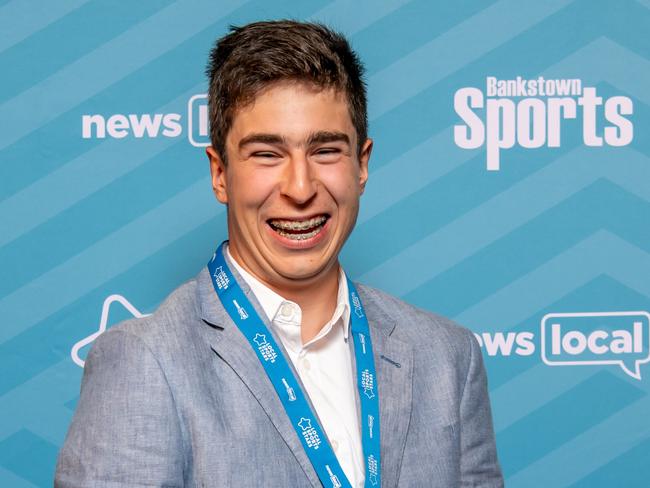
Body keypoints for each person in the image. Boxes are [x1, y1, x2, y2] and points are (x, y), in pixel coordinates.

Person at [55, 20, 503, 488]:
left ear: (362, 165)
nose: (301, 188)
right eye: (267, 154)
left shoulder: (449, 357)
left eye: (326, 151)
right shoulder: (144, 362)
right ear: (220, 174)